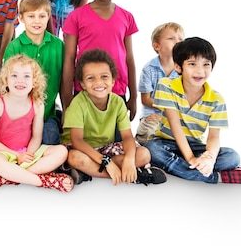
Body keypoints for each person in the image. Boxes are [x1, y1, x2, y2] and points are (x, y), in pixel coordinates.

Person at [145, 37, 241, 185]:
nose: (200, 71)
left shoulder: (216, 99)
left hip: (194, 145)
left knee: (232, 157)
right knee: (152, 149)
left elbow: (213, 137)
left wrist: (209, 157)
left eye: (206, 64)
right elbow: (176, 128)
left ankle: (176, 167)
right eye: (192, 64)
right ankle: (218, 177)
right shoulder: (166, 86)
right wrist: (191, 159)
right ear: (178, 67)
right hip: (166, 142)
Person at [61, 49, 167, 186]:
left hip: (106, 147)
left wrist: (129, 159)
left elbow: (127, 137)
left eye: (104, 77)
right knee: (74, 158)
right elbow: (77, 141)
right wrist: (106, 161)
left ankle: (90, 172)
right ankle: (131, 175)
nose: (98, 82)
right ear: (82, 85)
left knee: (144, 154)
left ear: (112, 81)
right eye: (90, 78)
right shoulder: (78, 103)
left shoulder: (117, 102)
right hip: (82, 149)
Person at [61, 0, 139, 130]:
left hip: (117, 89)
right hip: (85, 88)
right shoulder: (76, 16)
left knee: (117, 141)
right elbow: (69, 58)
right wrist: (67, 97)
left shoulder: (127, 17)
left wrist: (133, 96)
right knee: (85, 141)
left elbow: (130, 59)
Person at [0, 54, 73, 192]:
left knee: (61, 151)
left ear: (34, 82)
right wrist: (16, 155)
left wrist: (28, 155)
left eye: (26, 76)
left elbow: (37, 136)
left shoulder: (37, 104)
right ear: (5, 80)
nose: (20, 81)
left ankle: (10, 177)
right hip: (3, 152)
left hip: (28, 151)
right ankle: (43, 181)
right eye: (14, 76)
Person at [4, 0, 64, 145]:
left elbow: (64, 81)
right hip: (19, 114)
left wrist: (67, 111)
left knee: (49, 139)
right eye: (31, 16)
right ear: (22, 18)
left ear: (49, 17)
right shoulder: (14, 47)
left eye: (42, 16)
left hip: (47, 113)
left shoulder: (58, 45)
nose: (37, 21)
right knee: (18, 142)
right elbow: (6, 84)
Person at [135, 22, 185, 145]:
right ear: (157, 46)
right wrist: (166, 110)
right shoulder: (149, 68)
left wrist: (169, 114)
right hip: (152, 116)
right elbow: (146, 99)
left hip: (176, 118)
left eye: (180, 39)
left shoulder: (185, 69)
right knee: (148, 134)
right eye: (171, 38)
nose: (177, 42)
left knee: (185, 136)